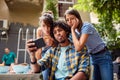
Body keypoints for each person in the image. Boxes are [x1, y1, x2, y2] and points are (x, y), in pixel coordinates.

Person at [64, 9, 113, 80]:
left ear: (78, 18)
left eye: (72, 18)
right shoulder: (76, 32)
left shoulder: (86, 26)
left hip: (103, 56)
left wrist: (72, 30)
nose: (70, 22)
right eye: (67, 20)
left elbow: (78, 47)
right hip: (92, 57)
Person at [35, 12, 56, 80]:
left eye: (49, 26)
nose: (46, 29)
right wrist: (37, 63)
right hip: (45, 54)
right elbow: (39, 49)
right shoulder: (40, 31)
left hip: (55, 52)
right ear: (40, 25)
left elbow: (57, 46)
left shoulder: (55, 30)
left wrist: (50, 38)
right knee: (45, 76)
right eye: (43, 25)